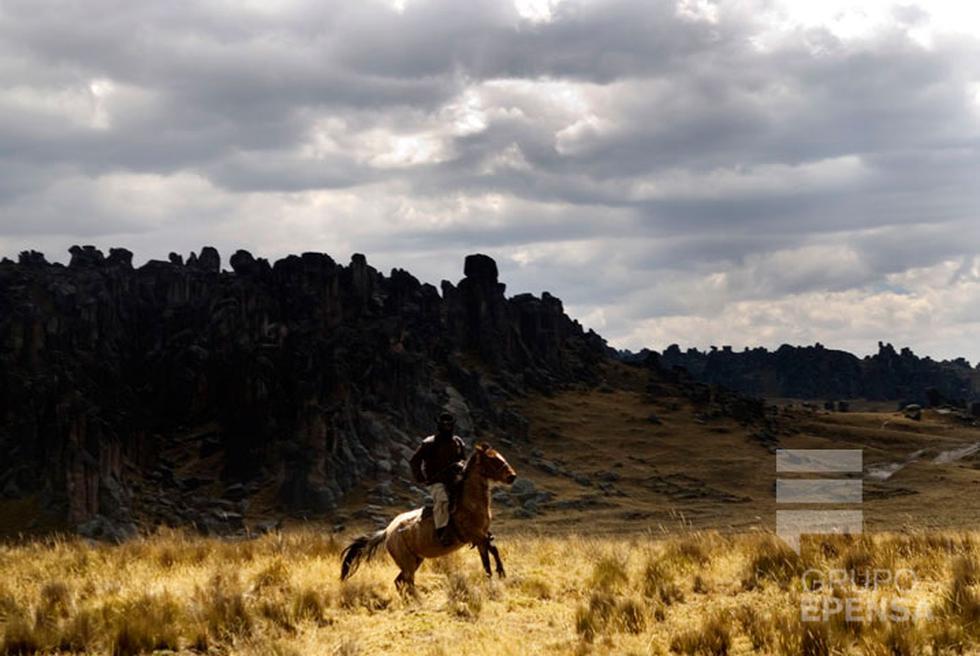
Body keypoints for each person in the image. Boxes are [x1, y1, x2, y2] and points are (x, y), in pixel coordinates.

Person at [409, 412, 466, 546]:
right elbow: (414, 461)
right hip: (437, 480)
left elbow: (464, 458)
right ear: (439, 425)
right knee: (442, 502)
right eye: (444, 424)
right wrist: (422, 478)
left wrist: (461, 465)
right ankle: (442, 533)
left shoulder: (458, 442)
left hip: (456, 479)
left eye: (449, 424)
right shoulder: (429, 443)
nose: (447, 427)